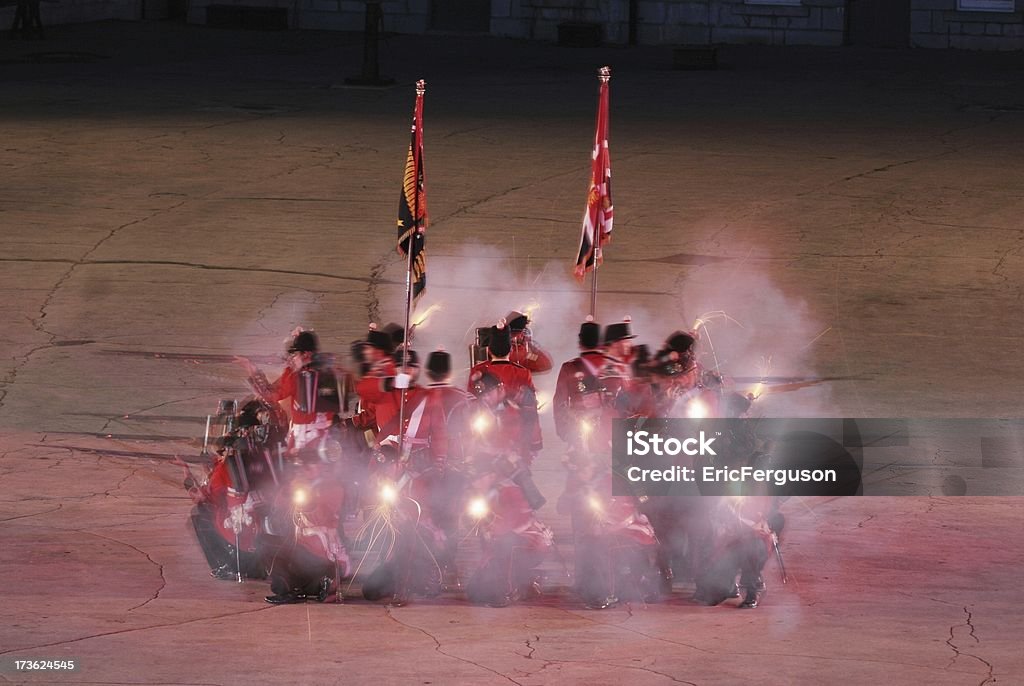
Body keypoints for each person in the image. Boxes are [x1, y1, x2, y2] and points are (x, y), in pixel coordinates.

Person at [236, 328, 341, 460]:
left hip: (310, 440)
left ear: (306, 354)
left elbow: (270, 396)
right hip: (321, 437)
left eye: (295, 354)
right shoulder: (328, 371)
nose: (292, 358)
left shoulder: (296, 376)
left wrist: (251, 369)